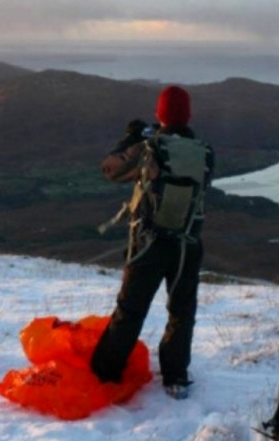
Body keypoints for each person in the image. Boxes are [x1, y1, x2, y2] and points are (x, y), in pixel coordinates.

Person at [90, 85, 215, 400]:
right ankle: (175, 378)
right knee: (181, 311)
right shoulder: (205, 152)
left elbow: (109, 169)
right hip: (187, 244)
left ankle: (105, 373)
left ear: (160, 114)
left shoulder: (150, 148)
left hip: (149, 243)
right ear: (188, 115)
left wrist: (131, 140)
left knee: (130, 310)